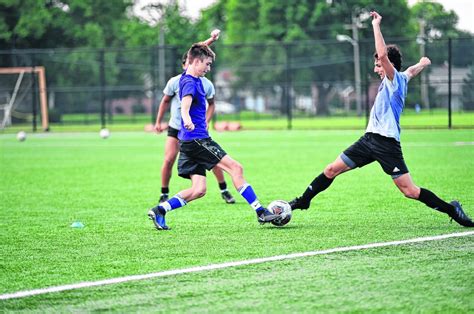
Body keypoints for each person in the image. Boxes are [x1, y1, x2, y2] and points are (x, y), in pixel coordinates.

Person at [288, 11, 473, 228]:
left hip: (386, 144)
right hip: (368, 141)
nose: (376, 69)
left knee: (410, 191)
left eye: (378, 66)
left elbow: (384, 56)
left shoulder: (394, 80)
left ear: (389, 66)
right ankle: (303, 202)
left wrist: (376, 25)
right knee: (331, 170)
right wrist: (423, 63)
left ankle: (453, 209)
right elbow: (411, 71)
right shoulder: (402, 77)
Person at [148, 43, 278, 230]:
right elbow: (184, 106)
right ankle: (260, 212)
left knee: (199, 190)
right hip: (197, 139)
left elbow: (195, 49)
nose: (209, 69)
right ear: (195, 61)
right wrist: (186, 119)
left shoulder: (188, 77)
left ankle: (160, 210)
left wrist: (210, 40)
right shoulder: (190, 82)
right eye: (207, 64)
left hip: (188, 142)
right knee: (236, 168)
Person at [154, 30, 235, 205]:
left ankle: (224, 189)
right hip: (176, 126)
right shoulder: (178, 81)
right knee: (168, 159)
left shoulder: (205, 82)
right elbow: (165, 101)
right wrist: (158, 121)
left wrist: (205, 121)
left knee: (213, 160)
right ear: (188, 62)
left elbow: (199, 49)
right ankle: (164, 194)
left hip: (195, 129)